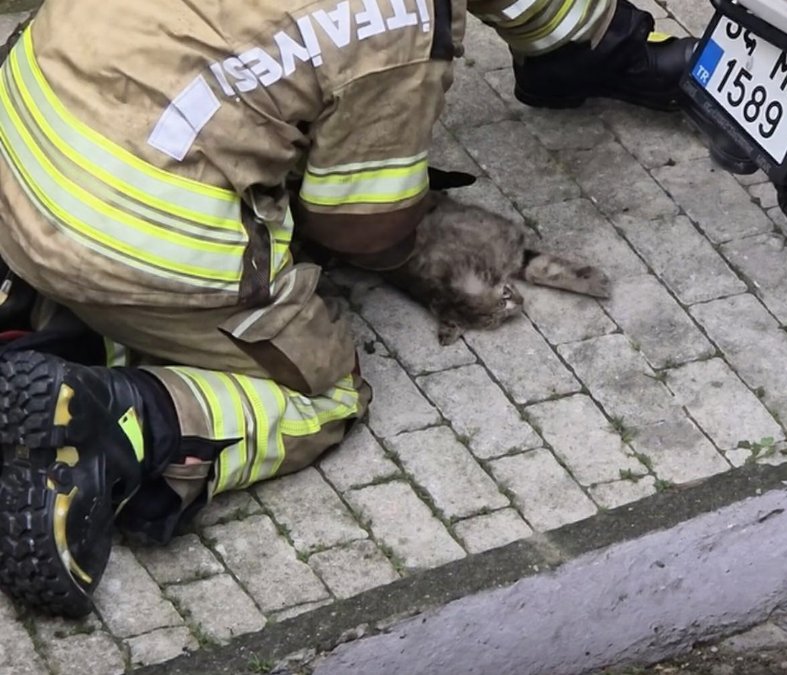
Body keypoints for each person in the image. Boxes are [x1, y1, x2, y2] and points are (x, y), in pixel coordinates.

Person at [0, 0, 696, 618]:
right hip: (129, 230)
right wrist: (406, 236)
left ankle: (35, 296)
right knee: (325, 391)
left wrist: (610, 36)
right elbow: (356, 226)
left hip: (25, 128)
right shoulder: (396, 23)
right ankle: (117, 423)